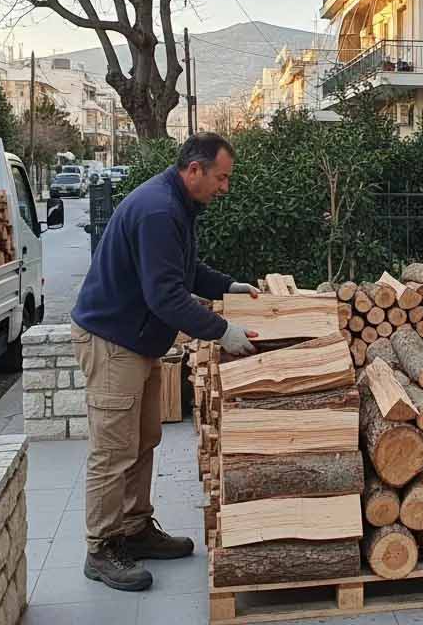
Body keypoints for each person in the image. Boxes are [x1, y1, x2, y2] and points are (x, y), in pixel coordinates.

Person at [70, 133, 259, 591]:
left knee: (144, 439)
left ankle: (134, 530)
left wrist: (226, 287)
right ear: (194, 170)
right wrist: (223, 332)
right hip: (113, 341)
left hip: (136, 342)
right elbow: (166, 296)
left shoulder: (176, 206)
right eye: (221, 177)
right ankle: (101, 549)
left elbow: (184, 272)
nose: (225, 187)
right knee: (113, 451)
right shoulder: (159, 210)